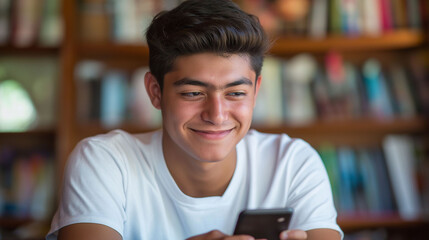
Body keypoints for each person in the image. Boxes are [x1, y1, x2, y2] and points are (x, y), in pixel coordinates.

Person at [47, 0, 343, 239]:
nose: (216, 115)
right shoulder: (106, 162)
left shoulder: (292, 163)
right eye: (192, 93)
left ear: (256, 92)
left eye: (236, 93)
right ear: (155, 91)